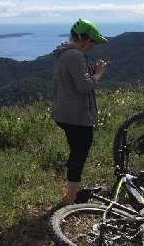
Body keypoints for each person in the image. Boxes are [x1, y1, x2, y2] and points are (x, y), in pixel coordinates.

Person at [51, 18, 108, 205]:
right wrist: (98, 73)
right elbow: (84, 86)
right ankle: (71, 198)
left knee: (76, 151)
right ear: (82, 38)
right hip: (75, 115)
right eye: (92, 41)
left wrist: (89, 71)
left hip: (64, 111)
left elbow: (73, 79)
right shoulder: (74, 55)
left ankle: (71, 191)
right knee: (79, 153)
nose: (93, 46)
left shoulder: (62, 53)